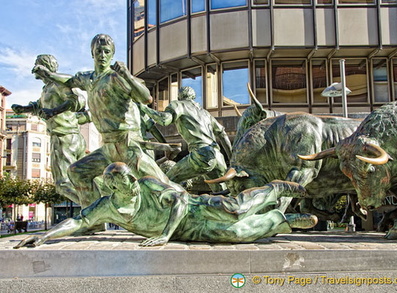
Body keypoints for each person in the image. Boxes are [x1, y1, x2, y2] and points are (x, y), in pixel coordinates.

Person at [14, 162, 317, 248]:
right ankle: (281, 221)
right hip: (189, 231)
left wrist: (165, 236)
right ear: (112, 185)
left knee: (235, 210)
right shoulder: (107, 206)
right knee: (237, 234)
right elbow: (79, 222)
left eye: (129, 179)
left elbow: (182, 199)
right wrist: (44, 235)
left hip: (195, 208)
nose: (129, 184)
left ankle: (273, 190)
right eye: (121, 181)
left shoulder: (147, 184)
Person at [31, 34, 180, 208]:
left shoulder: (116, 78)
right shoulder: (88, 79)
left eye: (106, 52)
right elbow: (70, 80)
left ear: (112, 55)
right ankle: (95, 217)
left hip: (127, 143)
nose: (102, 55)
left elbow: (146, 97)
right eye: (98, 51)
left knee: (160, 185)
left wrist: (126, 74)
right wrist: (49, 74)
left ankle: (190, 208)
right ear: (92, 54)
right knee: (77, 171)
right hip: (108, 146)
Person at [12, 54, 86, 204]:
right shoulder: (48, 88)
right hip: (68, 137)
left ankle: (94, 209)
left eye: (37, 66)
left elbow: (78, 101)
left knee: (62, 183)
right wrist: (24, 108)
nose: (35, 70)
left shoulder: (58, 84)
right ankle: (96, 211)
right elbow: (39, 106)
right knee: (81, 181)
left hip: (64, 137)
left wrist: (54, 111)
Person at [140, 86, 232, 192]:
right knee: (223, 196)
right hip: (217, 157)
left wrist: (144, 108)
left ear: (179, 96)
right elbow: (223, 135)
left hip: (201, 155)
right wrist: (231, 160)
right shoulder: (204, 113)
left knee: (166, 182)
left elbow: (164, 120)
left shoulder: (179, 105)